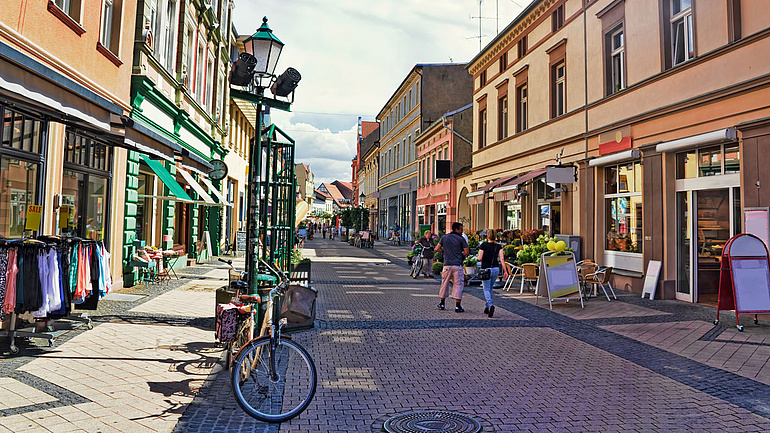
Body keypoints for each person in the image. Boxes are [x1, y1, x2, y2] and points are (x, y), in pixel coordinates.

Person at [435, 222, 469, 312]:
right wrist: (461, 255)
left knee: (444, 284)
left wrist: (444, 252)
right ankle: (458, 306)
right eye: (461, 229)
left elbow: (437, 248)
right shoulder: (461, 239)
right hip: (457, 265)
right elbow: (466, 251)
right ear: (456, 229)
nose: (462, 231)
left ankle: (442, 303)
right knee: (458, 284)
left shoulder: (444, 237)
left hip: (447, 264)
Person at [477, 229, 509, 318]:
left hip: (486, 269)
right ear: (495, 236)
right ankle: (486, 307)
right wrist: (505, 271)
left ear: (487, 236)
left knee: (486, 289)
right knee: (490, 288)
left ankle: (490, 305)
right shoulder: (498, 246)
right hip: (495, 268)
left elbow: (479, 258)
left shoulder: (483, 245)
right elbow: (502, 259)